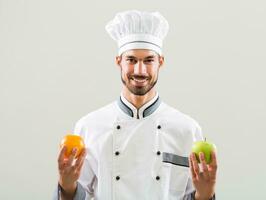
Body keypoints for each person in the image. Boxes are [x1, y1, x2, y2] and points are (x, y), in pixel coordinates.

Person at [54, 10, 217, 200]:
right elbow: (77, 196)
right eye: (131, 60)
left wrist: (206, 194)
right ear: (119, 62)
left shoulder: (187, 129)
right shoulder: (89, 126)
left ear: (160, 62)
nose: (140, 71)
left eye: (149, 60)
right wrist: (66, 186)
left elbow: (194, 195)